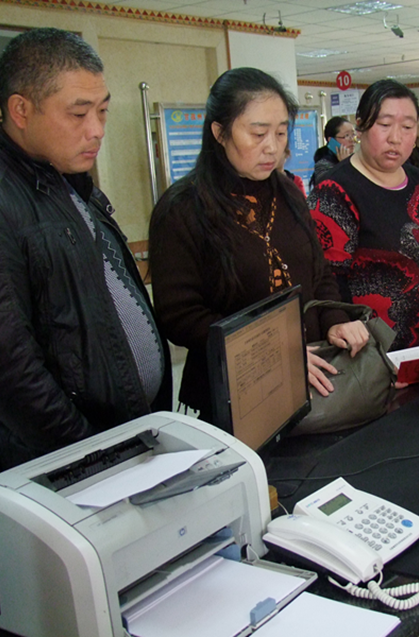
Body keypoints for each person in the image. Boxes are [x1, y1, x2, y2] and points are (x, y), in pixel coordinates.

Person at [0, 28, 171, 473]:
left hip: (126, 439)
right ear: (21, 110)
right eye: (79, 113)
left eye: (102, 111)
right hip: (73, 464)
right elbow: (7, 373)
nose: (97, 130)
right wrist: (91, 454)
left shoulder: (66, 178)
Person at [149, 68, 368, 423]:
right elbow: (180, 316)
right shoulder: (183, 208)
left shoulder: (289, 194)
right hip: (236, 395)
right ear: (219, 132)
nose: (273, 147)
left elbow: (319, 272)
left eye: (280, 133)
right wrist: (274, 353)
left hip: (313, 381)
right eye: (257, 133)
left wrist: (335, 320)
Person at [309, 79, 419, 352]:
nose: (396, 138)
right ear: (360, 126)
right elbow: (326, 279)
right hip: (376, 355)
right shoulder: (335, 192)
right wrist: (341, 325)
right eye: (384, 125)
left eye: (407, 127)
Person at [311, 116, 354, 190]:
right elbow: (330, 190)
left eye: (353, 134)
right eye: (346, 135)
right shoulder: (323, 165)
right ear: (331, 140)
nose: (352, 140)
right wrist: (344, 165)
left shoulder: (356, 160)